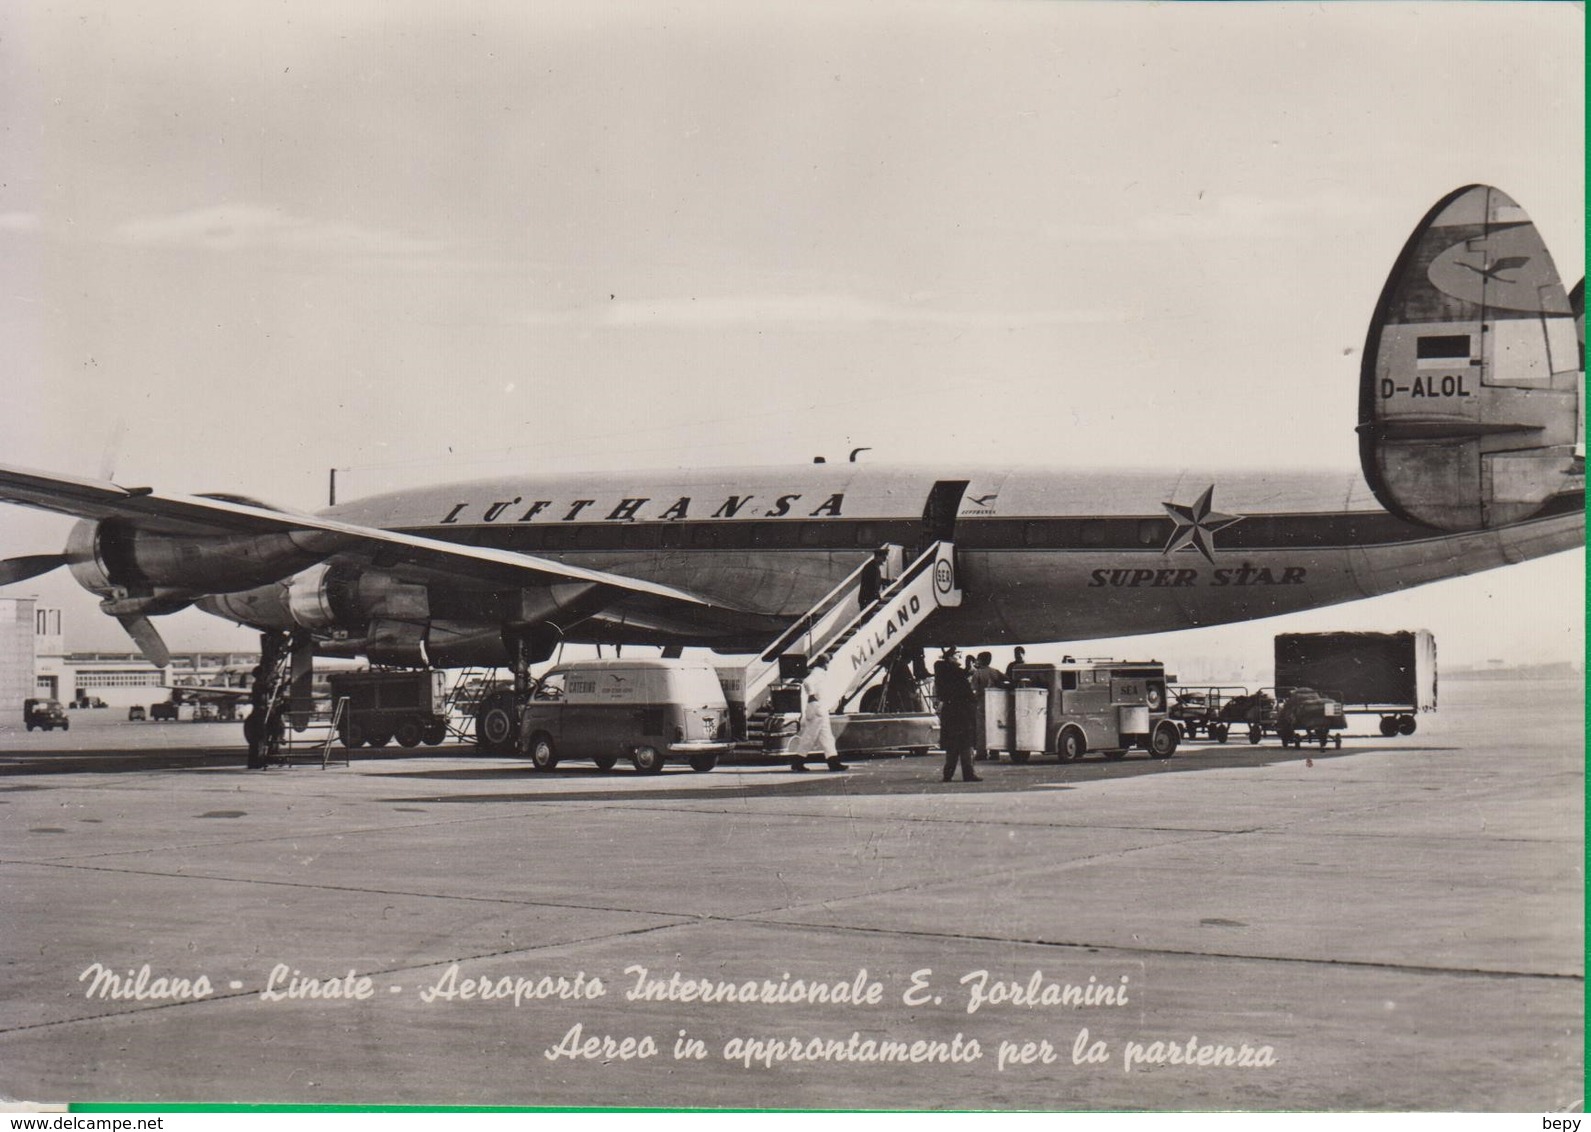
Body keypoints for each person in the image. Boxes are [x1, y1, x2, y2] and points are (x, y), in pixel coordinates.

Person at [789, 662, 848, 773]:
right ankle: (798, 762)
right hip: (817, 708)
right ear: (826, 663)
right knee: (810, 736)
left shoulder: (821, 673)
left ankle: (833, 762)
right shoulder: (817, 673)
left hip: (821, 708)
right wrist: (812, 695)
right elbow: (807, 682)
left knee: (827, 737)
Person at [933, 647, 979, 783]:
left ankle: (948, 774)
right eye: (958, 654)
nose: (960, 656)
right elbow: (967, 692)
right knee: (966, 743)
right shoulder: (957, 673)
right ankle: (968, 773)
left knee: (952, 744)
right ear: (951, 657)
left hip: (949, 711)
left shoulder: (942, 672)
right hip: (963, 711)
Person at [969, 651, 1004, 761]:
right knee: (993, 727)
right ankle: (994, 752)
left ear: (981, 660)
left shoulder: (977, 673)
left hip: (981, 701)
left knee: (981, 728)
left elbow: (973, 688)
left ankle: (981, 752)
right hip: (994, 702)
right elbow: (1005, 680)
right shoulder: (995, 671)